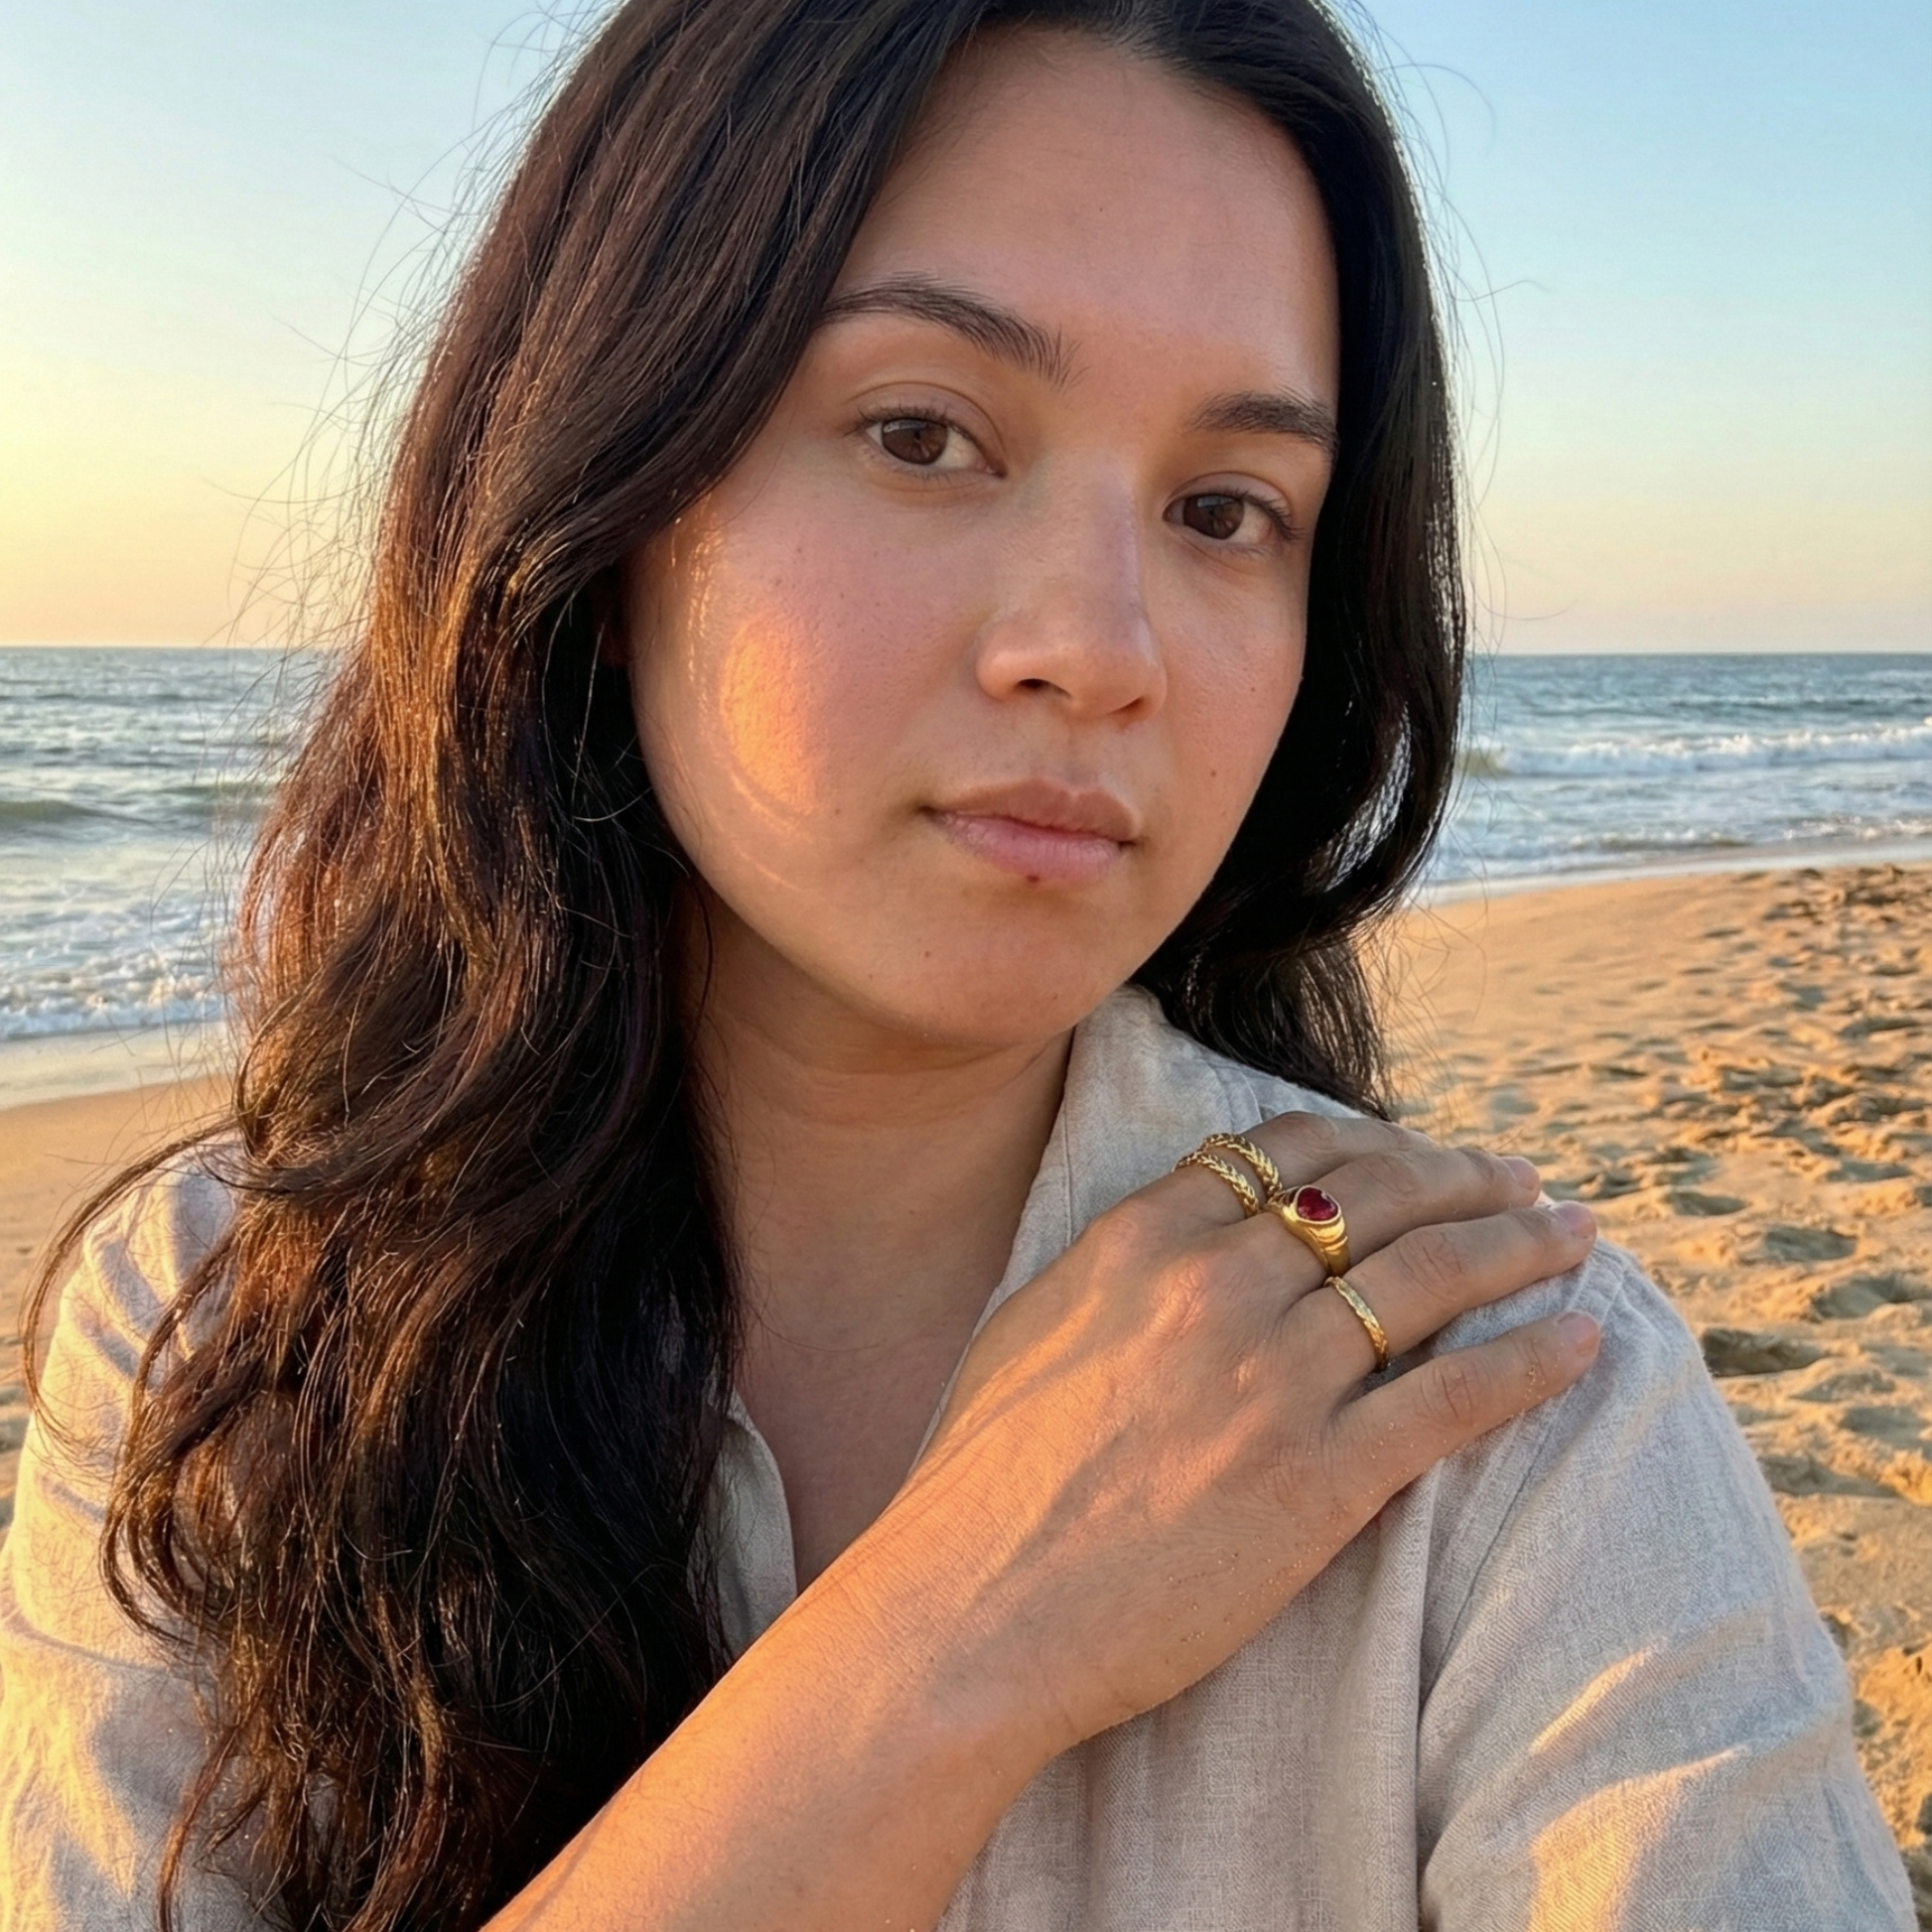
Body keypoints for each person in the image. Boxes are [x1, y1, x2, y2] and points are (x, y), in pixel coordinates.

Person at [0, 2, 1911, 1927]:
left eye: (1224, 509)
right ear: (605, 495)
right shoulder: (227, 1327)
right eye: (922, 432)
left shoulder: (1501, 1391)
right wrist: (955, 1637)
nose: (1099, 644)